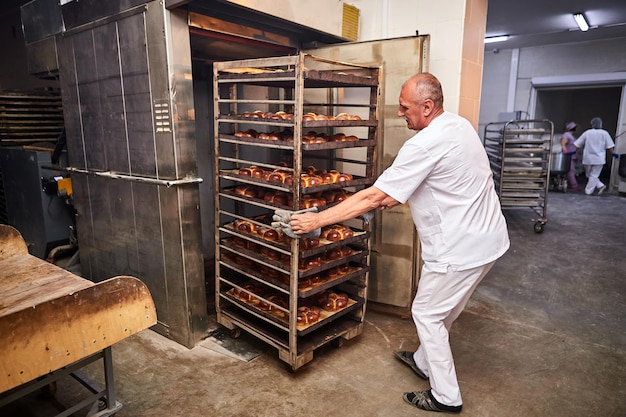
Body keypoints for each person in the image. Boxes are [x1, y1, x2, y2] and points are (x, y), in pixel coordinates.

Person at [290, 73, 510, 413]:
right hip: (488, 240)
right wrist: (396, 195)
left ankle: (446, 397)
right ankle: (424, 361)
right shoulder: (459, 125)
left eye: (405, 107)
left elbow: (374, 195)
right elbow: (447, 178)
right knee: (444, 310)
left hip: (458, 248)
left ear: (427, 106)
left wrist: (317, 220)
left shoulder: (423, 144)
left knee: (426, 313)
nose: (399, 113)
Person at [573, 117, 617, 195]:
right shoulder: (605, 133)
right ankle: (600, 185)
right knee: (593, 175)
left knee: (590, 175)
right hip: (599, 159)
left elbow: (578, 144)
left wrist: (573, 152)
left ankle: (588, 191)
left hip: (588, 158)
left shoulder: (587, 133)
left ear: (592, 124)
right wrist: (613, 153)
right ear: (601, 124)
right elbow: (610, 146)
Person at [560, 121, 580, 191]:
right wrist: (565, 151)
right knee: (570, 171)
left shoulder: (571, 136)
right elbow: (563, 143)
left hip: (572, 155)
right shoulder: (566, 135)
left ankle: (568, 184)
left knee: (570, 171)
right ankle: (574, 185)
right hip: (568, 156)